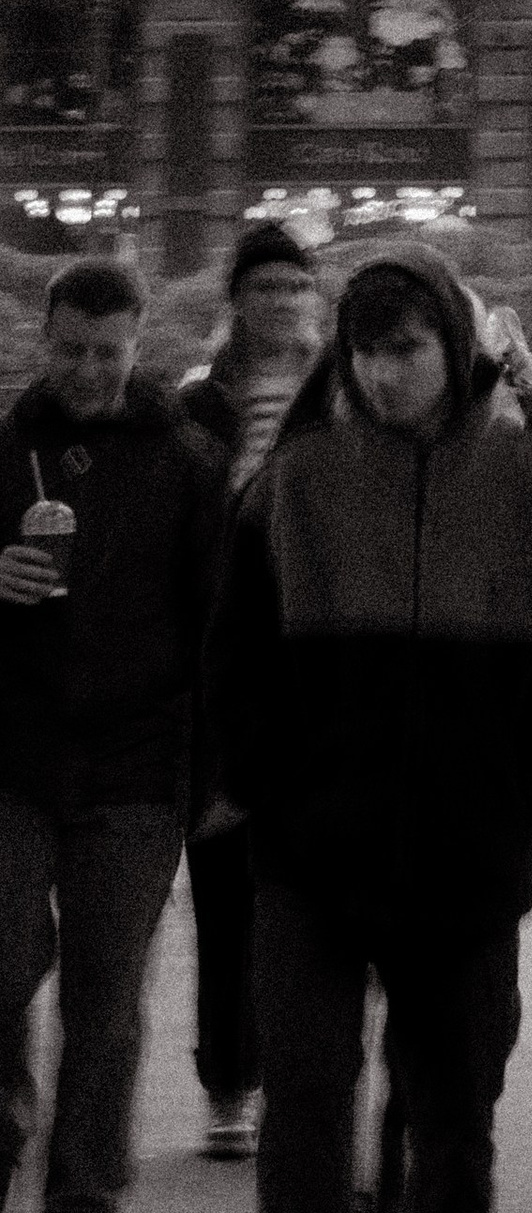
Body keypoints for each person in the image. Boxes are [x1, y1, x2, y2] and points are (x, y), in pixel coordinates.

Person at [205, 240, 532, 1213]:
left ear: (455, 345)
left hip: (462, 872)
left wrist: (521, 791)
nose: (391, 374)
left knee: (453, 1133)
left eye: (411, 348)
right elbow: (234, 671)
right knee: (304, 1135)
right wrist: (267, 794)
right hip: (312, 871)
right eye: (371, 350)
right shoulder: (295, 486)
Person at [0, 254, 225, 1213]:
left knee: (105, 1004)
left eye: (109, 350)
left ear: (140, 346)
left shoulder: (185, 460)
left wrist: (216, 770)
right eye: (72, 349)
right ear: (46, 342)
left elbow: (219, 627)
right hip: (16, 756)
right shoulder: (7, 449)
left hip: (138, 769)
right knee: (1, 968)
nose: (89, 370)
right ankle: (8, 1131)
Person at [178, 225, 331, 1165]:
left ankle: (305, 1076)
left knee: (309, 892)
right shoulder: (200, 402)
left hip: (316, 666)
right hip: (226, 665)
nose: (282, 300)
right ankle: (230, 1078)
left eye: (297, 284)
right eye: (266, 284)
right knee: (226, 886)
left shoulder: (342, 392)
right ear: (237, 297)